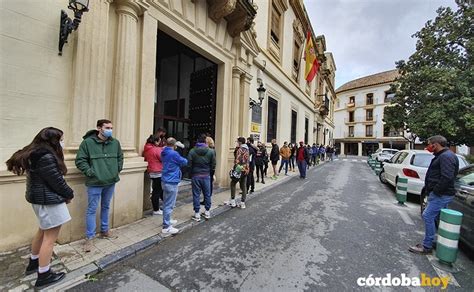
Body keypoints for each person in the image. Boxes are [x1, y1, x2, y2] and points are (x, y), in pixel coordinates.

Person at [6, 127, 73, 288]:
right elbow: (56, 181)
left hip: (39, 199)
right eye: (61, 139)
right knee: (50, 238)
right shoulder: (46, 156)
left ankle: (34, 262)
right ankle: (44, 275)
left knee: (42, 231)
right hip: (49, 201)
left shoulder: (34, 153)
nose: (63, 142)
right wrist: (69, 193)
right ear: (53, 140)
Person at [75, 119, 123, 252]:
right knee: (92, 209)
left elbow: (120, 157)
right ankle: (89, 238)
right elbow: (80, 160)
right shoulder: (87, 143)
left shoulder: (115, 142)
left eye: (111, 127)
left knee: (106, 206)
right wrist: (90, 172)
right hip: (95, 182)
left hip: (111, 181)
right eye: (107, 127)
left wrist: (117, 169)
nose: (110, 130)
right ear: (99, 128)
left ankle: (104, 231)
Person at [409, 135, 459, 254]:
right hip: (441, 193)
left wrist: (435, 191)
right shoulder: (445, 156)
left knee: (427, 216)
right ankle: (436, 241)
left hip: (441, 194)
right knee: (437, 218)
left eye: (429, 144)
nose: (428, 147)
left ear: (435, 144)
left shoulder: (446, 157)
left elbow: (447, 177)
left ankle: (427, 246)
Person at [161, 138, 188, 234]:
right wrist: (181, 150)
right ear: (174, 145)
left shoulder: (164, 152)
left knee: (166, 203)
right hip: (172, 181)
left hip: (165, 180)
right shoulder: (174, 154)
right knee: (169, 204)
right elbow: (184, 162)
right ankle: (166, 226)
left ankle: (168, 220)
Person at [188, 134, 216, 222]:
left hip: (196, 176)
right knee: (207, 194)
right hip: (206, 175)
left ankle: (197, 214)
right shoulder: (211, 151)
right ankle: (207, 212)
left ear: (197, 141)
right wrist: (209, 172)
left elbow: (189, 164)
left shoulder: (192, 151)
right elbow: (214, 164)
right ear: (205, 142)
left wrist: (191, 173)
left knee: (196, 195)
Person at [143, 134, 164, 215]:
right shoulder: (156, 149)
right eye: (159, 141)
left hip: (151, 171)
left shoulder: (147, 148)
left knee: (157, 189)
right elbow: (162, 159)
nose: (160, 143)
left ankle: (164, 204)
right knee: (157, 191)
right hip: (158, 171)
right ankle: (156, 209)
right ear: (155, 141)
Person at [230, 137, 250, 209]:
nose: (237, 143)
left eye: (237, 142)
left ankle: (233, 202)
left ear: (240, 142)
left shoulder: (239, 149)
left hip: (239, 169)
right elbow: (247, 160)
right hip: (245, 169)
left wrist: (234, 168)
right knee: (243, 186)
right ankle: (242, 203)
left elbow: (237, 160)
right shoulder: (247, 149)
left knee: (233, 183)